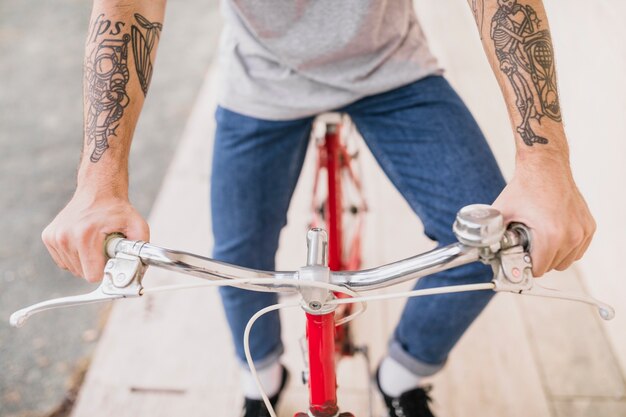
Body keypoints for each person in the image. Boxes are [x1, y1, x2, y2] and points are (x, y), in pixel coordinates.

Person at [42, 1, 595, 416]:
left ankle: (402, 376)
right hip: (260, 79)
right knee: (238, 253)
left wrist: (544, 165)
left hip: (392, 67)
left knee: (486, 247)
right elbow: (128, 8)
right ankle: (262, 378)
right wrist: (99, 181)